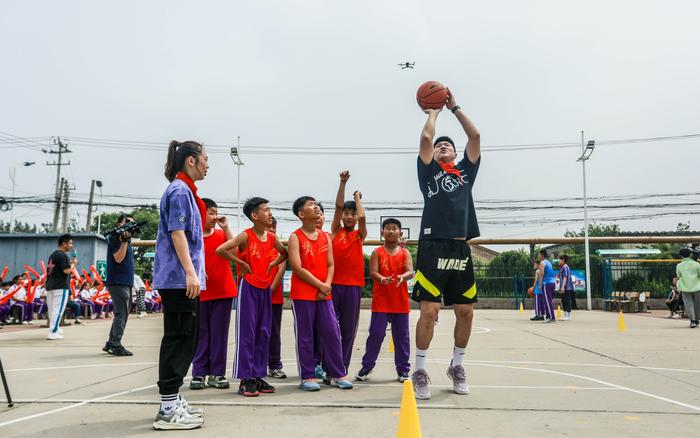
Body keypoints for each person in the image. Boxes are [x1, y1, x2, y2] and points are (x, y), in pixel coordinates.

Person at [411, 89, 480, 399]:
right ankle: (421, 369)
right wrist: (433, 113)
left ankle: (457, 365)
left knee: (465, 311)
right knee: (430, 310)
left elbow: (475, 136)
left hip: (459, 249)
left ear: (455, 154)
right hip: (432, 246)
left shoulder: (466, 172)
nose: (442, 146)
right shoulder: (428, 174)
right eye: (440, 145)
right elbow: (426, 141)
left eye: (447, 145)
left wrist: (454, 107)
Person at [151, 140, 208, 430]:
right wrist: (189, 272)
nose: (207, 165)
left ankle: (173, 399)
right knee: (178, 338)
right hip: (178, 279)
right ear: (191, 161)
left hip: (182, 278)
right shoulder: (180, 191)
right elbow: (177, 233)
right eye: (205, 159)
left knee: (187, 338)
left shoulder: (185, 192)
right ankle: (167, 408)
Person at [216, 197, 287, 397]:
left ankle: (257, 375)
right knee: (247, 333)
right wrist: (241, 263)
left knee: (263, 332)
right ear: (255, 216)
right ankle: (244, 378)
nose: (270, 213)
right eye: (266, 210)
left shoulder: (272, 238)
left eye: (270, 209)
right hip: (248, 287)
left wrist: (272, 265)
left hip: (265, 289)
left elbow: (284, 254)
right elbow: (220, 250)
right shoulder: (246, 236)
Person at [288, 196, 353, 391]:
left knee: (332, 333)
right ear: (301, 214)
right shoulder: (295, 237)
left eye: (316, 204)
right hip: (303, 295)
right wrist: (321, 285)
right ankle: (307, 376)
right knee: (306, 336)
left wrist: (326, 285)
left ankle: (337, 373)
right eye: (310, 205)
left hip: (324, 294)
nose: (315, 207)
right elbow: (297, 268)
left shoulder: (325, 236)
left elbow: (331, 264)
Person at [356, 218, 413, 382]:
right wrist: (382, 279)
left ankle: (403, 370)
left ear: (400, 233)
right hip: (381, 302)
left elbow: (410, 271)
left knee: (402, 337)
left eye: (395, 228)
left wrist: (402, 277)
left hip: (400, 302)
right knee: (375, 334)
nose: (392, 231)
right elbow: (373, 272)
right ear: (382, 232)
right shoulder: (377, 252)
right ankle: (367, 366)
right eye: (388, 228)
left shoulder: (405, 253)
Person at [190, 198, 237, 391]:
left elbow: (235, 252)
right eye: (210, 212)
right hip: (199, 292)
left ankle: (217, 374)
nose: (214, 216)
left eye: (215, 212)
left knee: (219, 334)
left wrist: (226, 228)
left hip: (223, 291)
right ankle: (199, 373)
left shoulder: (220, 234)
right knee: (201, 334)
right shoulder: (192, 237)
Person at [330, 170, 367, 375]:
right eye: (347, 213)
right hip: (333, 285)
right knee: (330, 328)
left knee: (348, 330)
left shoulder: (359, 236)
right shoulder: (335, 231)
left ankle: (342, 368)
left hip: (353, 287)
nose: (350, 216)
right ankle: (327, 366)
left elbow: (362, 216)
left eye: (352, 213)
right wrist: (343, 183)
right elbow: (337, 206)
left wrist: (357, 199)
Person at [103, 214, 136, 356]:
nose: (130, 225)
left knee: (123, 313)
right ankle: (116, 344)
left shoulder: (125, 239)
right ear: (118, 224)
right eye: (127, 222)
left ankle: (111, 342)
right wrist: (124, 241)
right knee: (121, 314)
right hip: (118, 281)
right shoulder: (116, 238)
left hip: (125, 281)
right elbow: (118, 258)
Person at [45, 234, 77, 340]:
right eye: (70, 243)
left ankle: (55, 328)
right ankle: (53, 332)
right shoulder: (62, 255)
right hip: (60, 285)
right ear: (64, 243)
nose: (71, 246)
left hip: (50, 285)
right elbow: (67, 270)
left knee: (52, 309)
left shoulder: (52, 255)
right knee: (58, 309)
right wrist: (73, 264)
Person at [267, 216, 288, 379]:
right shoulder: (253, 244)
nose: (271, 230)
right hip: (256, 297)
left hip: (273, 298)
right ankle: (256, 365)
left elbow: (280, 270)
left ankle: (275, 365)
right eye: (269, 227)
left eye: (274, 227)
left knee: (274, 333)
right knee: (256, 333)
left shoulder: (278, 248)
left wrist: (269, 291)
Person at [676, 248, 700, 328]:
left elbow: (679, 276)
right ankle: (697, 320)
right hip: (697, 287)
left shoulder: (679, 265)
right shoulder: (697, 264)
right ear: (690, 255)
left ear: (681, 256)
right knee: (697, 305)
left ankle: (692, 321)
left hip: (685, 288)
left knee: (688, 305)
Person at [537, 250, 557, 323]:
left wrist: (540, 284)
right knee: (549, 301)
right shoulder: (549, 263)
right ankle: (550, 316)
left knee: (547, 301)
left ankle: (551, 317)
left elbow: (541, 274)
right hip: (552, 283)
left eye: (539, 254)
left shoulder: (542, 263)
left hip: (546, 283)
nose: (538, 256)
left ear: (542, 255)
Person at [558, 254, 575, 321]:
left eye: (559, 259)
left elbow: (565, 277)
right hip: (566, 287)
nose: (558, 261)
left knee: (566, 301)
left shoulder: (565, 267)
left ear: (563, 260)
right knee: (564, 301)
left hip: (567, 287)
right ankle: (565, 315)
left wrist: (562, 287)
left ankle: (568, 315)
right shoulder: (563, 267)